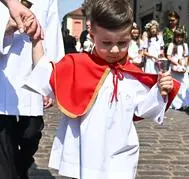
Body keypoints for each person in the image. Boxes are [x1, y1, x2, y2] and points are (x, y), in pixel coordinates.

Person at [25, 0, 180, 178]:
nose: (114, 50)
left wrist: (160, 92)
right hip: (85, 150)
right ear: (92, 35)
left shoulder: (131, 74)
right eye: (106, 43)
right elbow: (45, 73)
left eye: (122, 43)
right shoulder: (77, 65)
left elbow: (144, 108)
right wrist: (36, 41)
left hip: (121, 152)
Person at [0, 0, 64, 178]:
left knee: (31, 134)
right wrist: (7, 30)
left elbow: (53, 34)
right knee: (4, 144)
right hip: (3, 79)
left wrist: (51, 82)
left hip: (32, 77)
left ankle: (21, 168)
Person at [166, 27, 189, 110]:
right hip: (174, 66)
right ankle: (174, 103)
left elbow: (186, 56)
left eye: (181, 37)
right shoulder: (172, 45)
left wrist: (185, 65)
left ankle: (185, 103)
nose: (179, 39)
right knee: (174, 84)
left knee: (184, 84)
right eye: (177, 37)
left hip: (182, 66)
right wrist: (176, 62)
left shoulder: (185, 45)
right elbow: (169, 56)